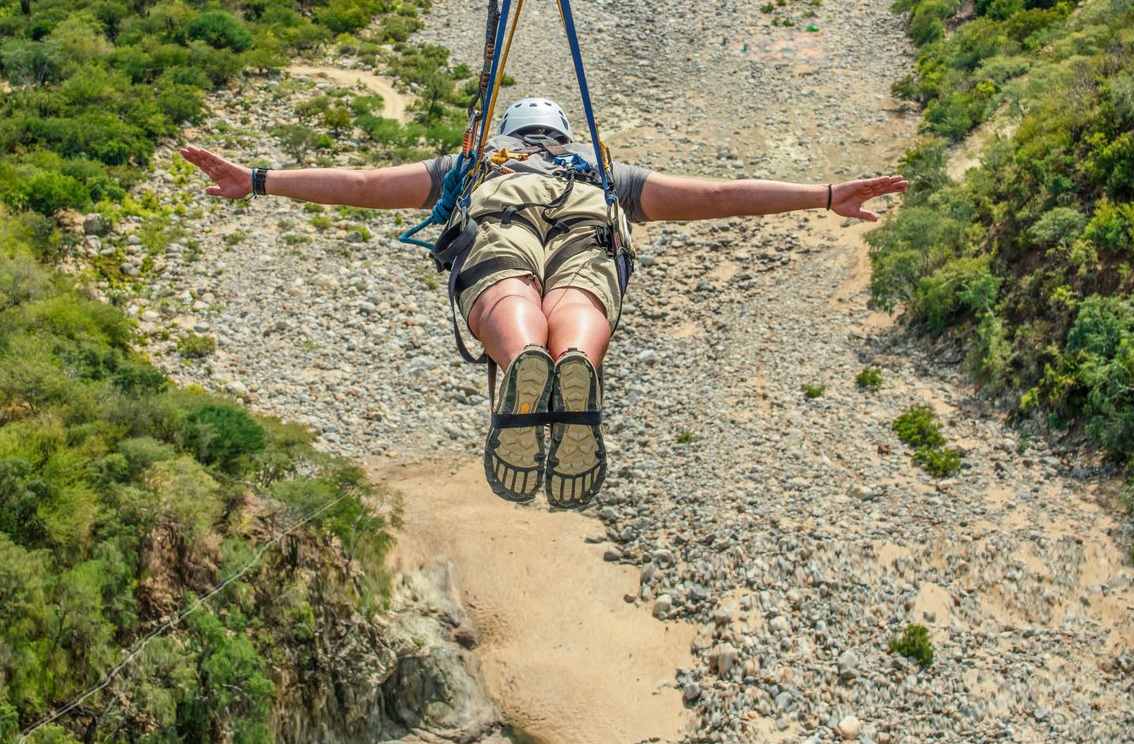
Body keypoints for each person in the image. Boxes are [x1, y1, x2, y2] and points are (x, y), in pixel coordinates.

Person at [180, 96, 905, 512]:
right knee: (583, 289)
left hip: (498, 213)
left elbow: (365, 184)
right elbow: (717, 197)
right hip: (588, 219)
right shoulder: (603, 174)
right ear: (563, 136)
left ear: (509, 137)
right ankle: (572, 361)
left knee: (503, 281)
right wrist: (827, 195)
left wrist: (261, 179)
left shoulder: (472, 167)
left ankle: (520, 352)